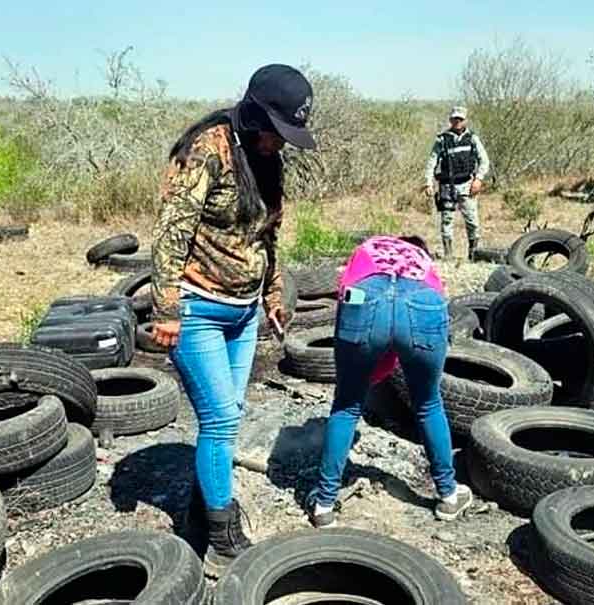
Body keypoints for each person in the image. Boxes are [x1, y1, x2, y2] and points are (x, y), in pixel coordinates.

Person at [149, 64, 316, 575]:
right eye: (275, 131)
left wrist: (273, 292)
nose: (278, 143)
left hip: (244, 312)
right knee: (220, 420)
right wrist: (167, 308)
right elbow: (171, 231)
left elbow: (269, 235)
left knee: (229, 414)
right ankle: (222, 539)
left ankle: (201, 516)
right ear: (253, 114)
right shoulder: (208, 149)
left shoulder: (269, 160)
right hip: (198, 306)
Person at [306, 234, 473, 528]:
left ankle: (324, 504)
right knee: (428, 403)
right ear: (419, 248)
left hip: (364, 297)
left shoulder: (368, 248)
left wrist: (369, 370)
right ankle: (448, 494)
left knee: (346, 405)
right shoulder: (424, 261)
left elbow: (345, 293)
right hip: (424, 301)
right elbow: (416, 316)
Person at [422, 106, 491, 261]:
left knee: (472, 221)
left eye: (460, 119)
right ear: (450, 120)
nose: (457, 122)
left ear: (465, 120)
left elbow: (484, 161)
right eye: (454, 119)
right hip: (447, 186)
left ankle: (473, 254)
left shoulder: (472, 138)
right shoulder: (442, 140)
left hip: (467, 185)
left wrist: (478, 179)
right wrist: (428, 182)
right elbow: (431, 162)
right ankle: (448, 255)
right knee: (446, 220)